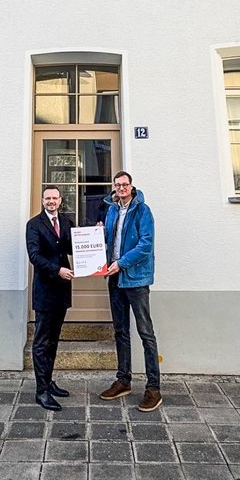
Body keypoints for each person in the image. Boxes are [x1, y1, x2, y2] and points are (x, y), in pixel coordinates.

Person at [98, 171, 161, 412]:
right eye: (117, 185)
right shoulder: (112, 209)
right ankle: (123, 381)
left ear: (131, 186)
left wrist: (121, 263)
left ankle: (153, 388)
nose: (121, 188)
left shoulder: (143, 210)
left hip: (135, 279)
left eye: (125, 184)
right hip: (114, 279)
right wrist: (99, 232)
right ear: (114, 188)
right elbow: (111, 239)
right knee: (120, 331)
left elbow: (145, 245)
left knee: (146, 333)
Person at [25, 185, 74, 410]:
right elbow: (34, 256)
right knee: (42, 341)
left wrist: (95, 232)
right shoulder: (33, 225)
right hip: (45, 290)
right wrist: (57, 270)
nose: (51, 201)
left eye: (55, 198)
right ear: (42, 200)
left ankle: (48, 380)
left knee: (54, 339)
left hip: (62, 291)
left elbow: (74, 247)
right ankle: (41, 391)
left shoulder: (65, 222)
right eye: (47, 198)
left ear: (60, 200)